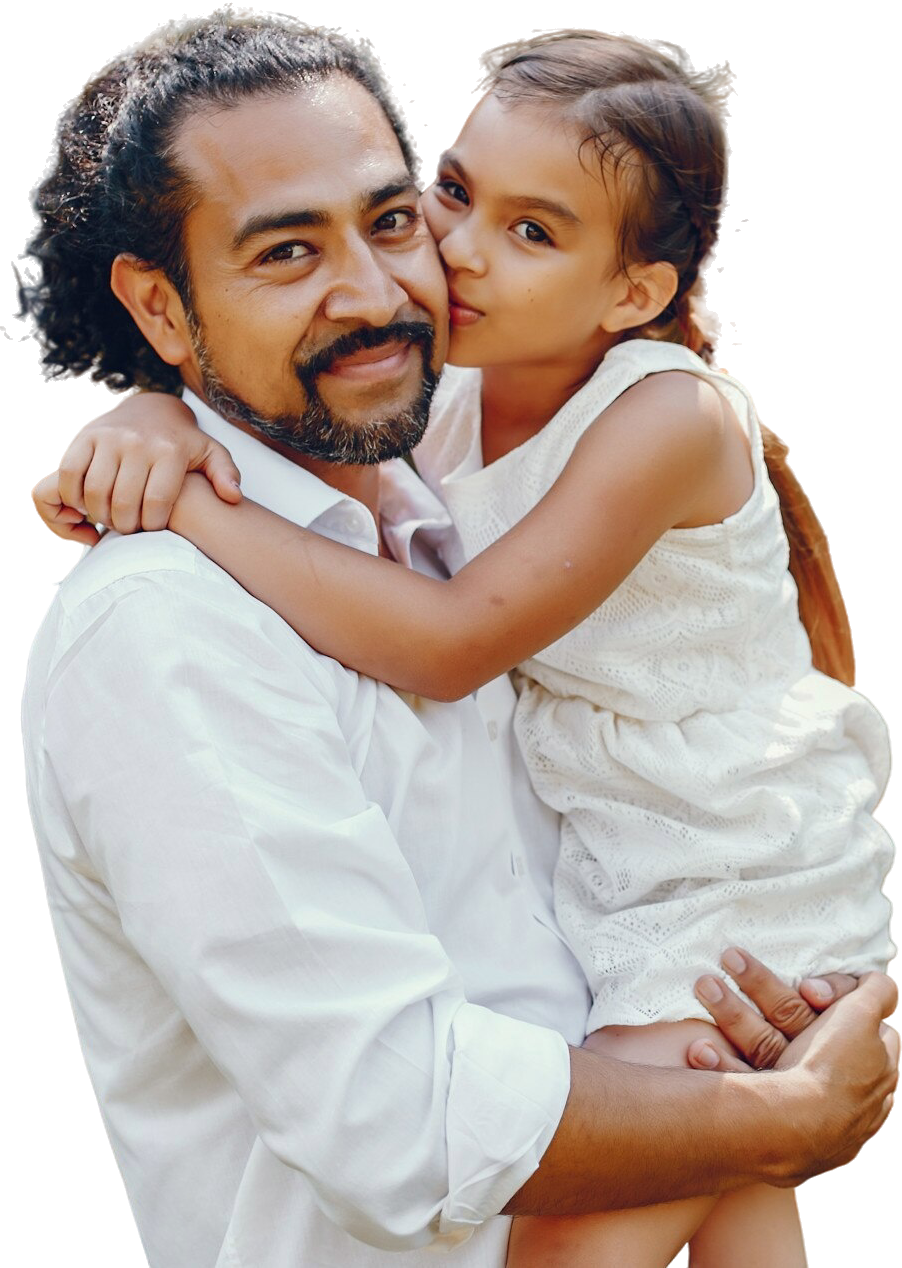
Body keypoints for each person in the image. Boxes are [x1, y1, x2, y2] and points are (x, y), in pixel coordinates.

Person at [21, 13, 898, 1268]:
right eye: (284, 252)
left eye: (389, 220)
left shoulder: (448, 517)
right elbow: (402, 1122)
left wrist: (763, 1087)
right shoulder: (163, 627)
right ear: (161, 307)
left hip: (715, 972)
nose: (383, 290)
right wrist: (768, 1118)